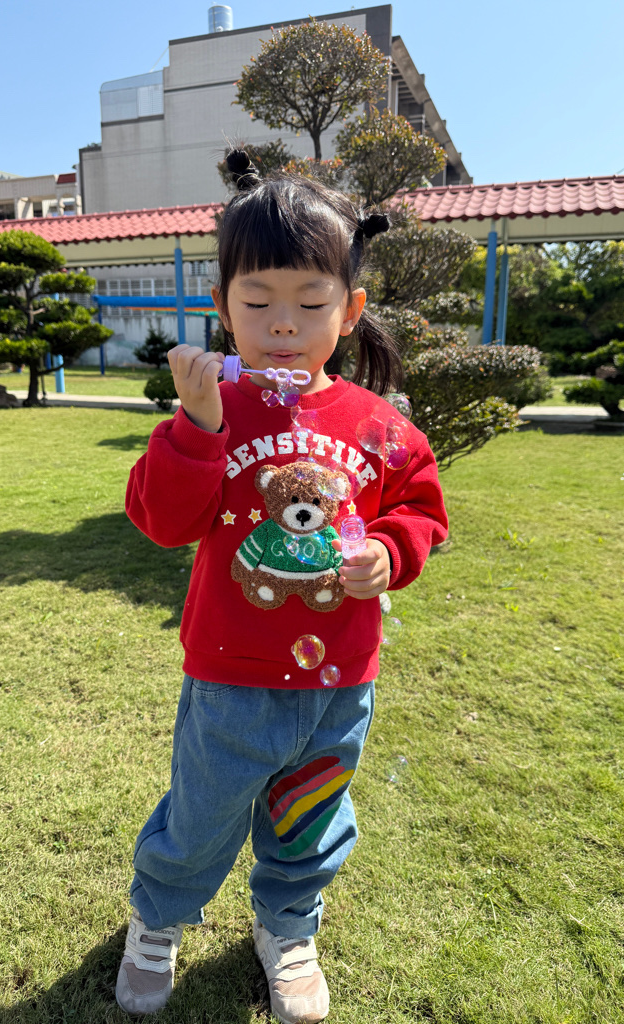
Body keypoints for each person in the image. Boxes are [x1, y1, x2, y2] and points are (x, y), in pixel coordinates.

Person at [116, 150, 448, 1022]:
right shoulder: (215, 407)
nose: (283, 326)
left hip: (339, 681)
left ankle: (289, 926)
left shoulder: (380, 427)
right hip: (230, 674)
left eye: (310, 302)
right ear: (223, 305)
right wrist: (196, 427)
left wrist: (391, 551)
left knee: (309, 819)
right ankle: (159, 919)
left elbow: (419, 510)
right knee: (202, 815)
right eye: (257, 302)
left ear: (351, 309)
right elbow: (162, 521)